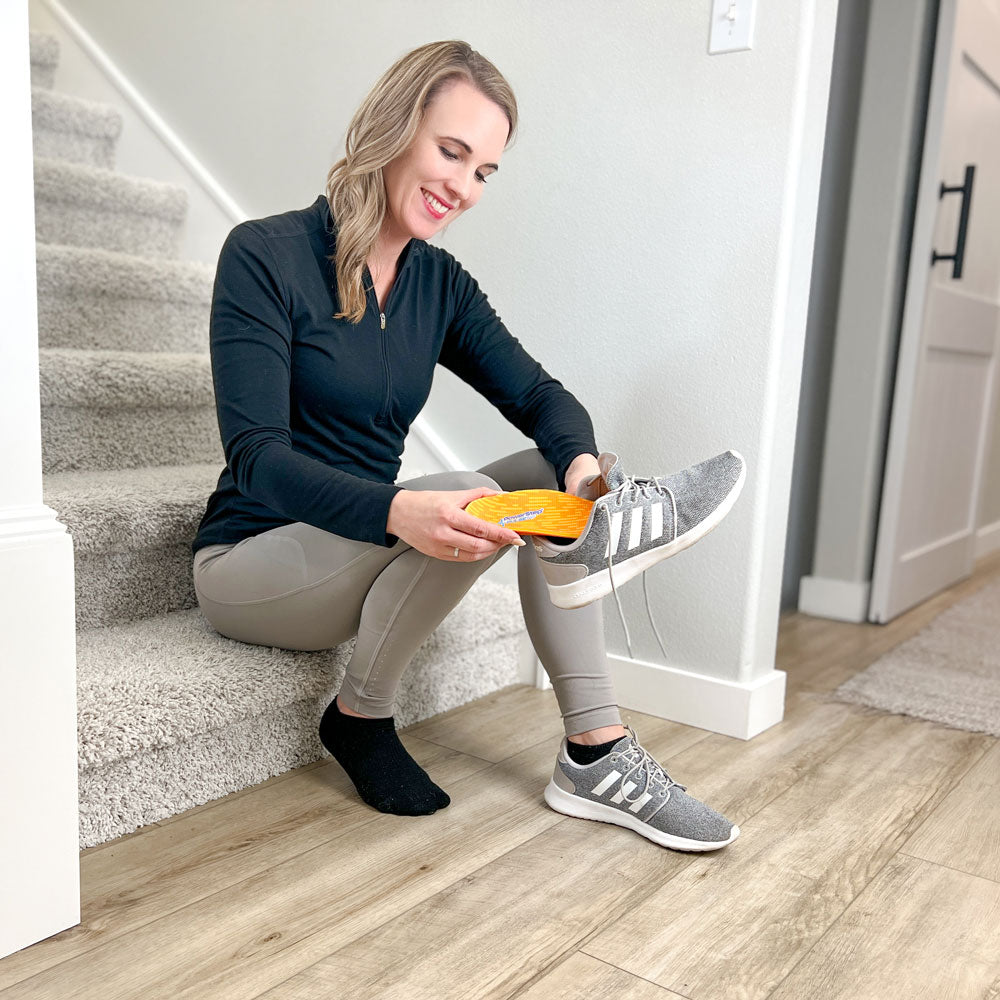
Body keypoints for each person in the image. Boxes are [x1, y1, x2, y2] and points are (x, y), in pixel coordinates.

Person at [191, 40, 740, 852]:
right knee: (464, 487)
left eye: (484, 170)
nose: (463, 186)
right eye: (452, 151)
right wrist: (399, 511)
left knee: (548, 472)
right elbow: (259, 461)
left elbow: (542, 397)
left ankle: (597, 748)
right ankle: (359, 715)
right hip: (255, 560)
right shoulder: (265, 254)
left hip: (357, 546)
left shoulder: (437, 284)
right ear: (393, 127)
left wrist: (584, 474)